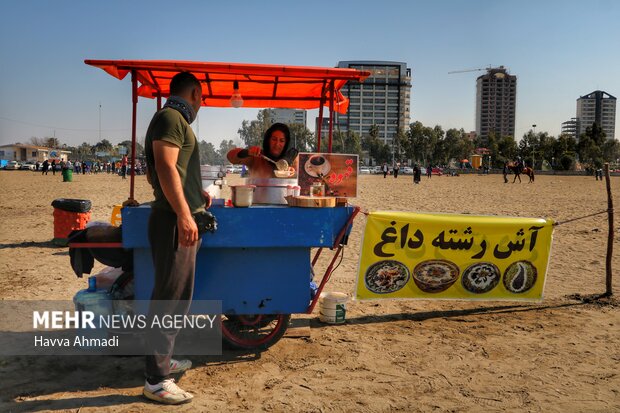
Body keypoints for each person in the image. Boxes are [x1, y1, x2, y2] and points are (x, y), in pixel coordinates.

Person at [143, 71, 206, 405]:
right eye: (202, 97)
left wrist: (197, 197)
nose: (202, 103)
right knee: (169, 300)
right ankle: (156, 380)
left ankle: (164, 363)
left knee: (177, 298)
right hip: (171, 221)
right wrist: (184, 213)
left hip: (176, 217)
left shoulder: (174, 119)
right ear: (195, 92)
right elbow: (165, 167)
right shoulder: (171, 117)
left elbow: (176, 171)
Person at [226, 123, 298, 179]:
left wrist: (293, 172)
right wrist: (247, 152)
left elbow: (302, 176)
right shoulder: (257, 157)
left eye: (282, 141)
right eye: (274, 139)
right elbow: (230, 156)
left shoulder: (292, 159)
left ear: (286, 144)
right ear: (268, 140)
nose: (277, 144)